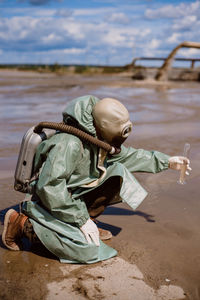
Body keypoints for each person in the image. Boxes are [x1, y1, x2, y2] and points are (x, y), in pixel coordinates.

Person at [2, 95, 191, 264]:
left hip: (71, 197)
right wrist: (81, 219)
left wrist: (167, 161)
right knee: (88, 251)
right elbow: (50, 187)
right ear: (102, 127)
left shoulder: (97, 139)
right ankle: (20, 223)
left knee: (118, 173)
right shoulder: (69, 144)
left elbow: (128, 156)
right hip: (47, 201)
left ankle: (83, 223)